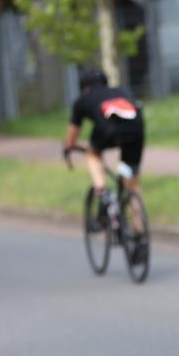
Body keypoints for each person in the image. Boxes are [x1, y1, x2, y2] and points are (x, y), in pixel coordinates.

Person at [63, 67, 147, 261]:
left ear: (83, 87)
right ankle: (140, 237)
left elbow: (70, 139)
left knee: (92, 154)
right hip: (136, 131)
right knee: (131, 184)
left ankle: (102, 192)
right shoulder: (122, 91)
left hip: (107, 132)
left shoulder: (82, 100)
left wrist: (72, 147)